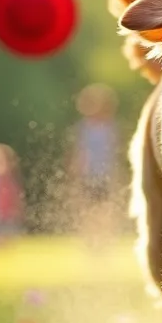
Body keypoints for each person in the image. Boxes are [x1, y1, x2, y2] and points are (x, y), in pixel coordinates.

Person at [69, 83, 119, 232]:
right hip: (89, 174)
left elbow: (113, 153)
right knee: (88, 207)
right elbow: (80, 151)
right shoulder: (85, 127)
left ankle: (102, 234)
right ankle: (91, 234)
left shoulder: (110, 127)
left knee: (102, 207)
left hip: (104, 175)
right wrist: (76, 170)